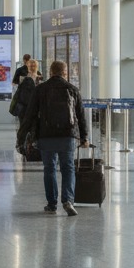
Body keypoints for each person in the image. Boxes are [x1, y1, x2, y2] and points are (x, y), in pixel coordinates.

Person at [23, 61, 90, 216]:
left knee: (49, 168)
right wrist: (84, 136)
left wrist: (23, 136)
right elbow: (81, 116)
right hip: (67, 136)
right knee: (68, 168)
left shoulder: (40, 89)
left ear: (50, 72)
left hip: (46, 136)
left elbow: (30, 114)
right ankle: (68, 200)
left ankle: (52, 204)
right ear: (65, 72)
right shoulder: (72, 90)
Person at [9, 58, 41, 152]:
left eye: (34, 65)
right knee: (23, 125)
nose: (32, 67)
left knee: (33, 125)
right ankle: (22, 144)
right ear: (27, 66)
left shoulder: (39, 76)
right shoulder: (23, 77)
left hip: (34, 106)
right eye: (31, 65)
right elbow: (18, 89)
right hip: (24, 106)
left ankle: (31, 143)